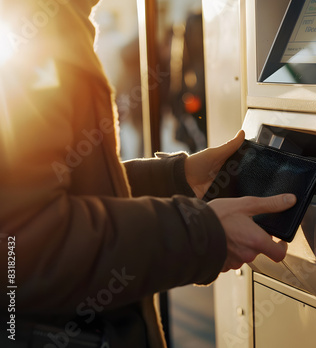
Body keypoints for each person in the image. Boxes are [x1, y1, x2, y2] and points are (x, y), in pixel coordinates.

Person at [0, 1, 294, 347]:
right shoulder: (34, 29)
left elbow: (54, 191)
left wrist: (174, 179)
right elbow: (23, 243)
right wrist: (199, 234)